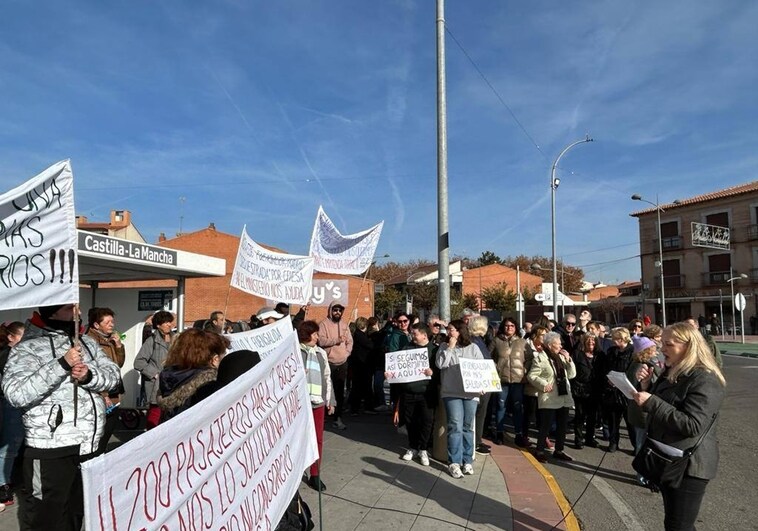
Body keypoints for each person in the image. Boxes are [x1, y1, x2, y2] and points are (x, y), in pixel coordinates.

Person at [2, 304, 121, 530]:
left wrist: (89, 376)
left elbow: (114, 375)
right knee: (45, 520)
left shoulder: (86, 341)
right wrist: (61, 365)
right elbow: (15, 394)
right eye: (70, 307)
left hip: (88, 448)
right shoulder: (27, 347)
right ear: (53, 310)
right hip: (50, 450)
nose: (78, 310)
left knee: (75, 516)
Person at [632, 323, 726, 531]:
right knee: (677, 523)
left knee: (678, 525)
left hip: (690, 466)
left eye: (669, 344)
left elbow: (693, 425)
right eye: (661, 343)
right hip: (669, 459)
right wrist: (647, 387)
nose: (662, 349)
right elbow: (663, 405)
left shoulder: (705, 379)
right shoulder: (673, 372)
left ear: (689, 346)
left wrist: (651, 401)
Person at [436, 320, 483, 478]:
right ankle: (454, 462)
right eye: (448, 330)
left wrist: (482, 384)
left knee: (468, 426)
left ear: (460, 331)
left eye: (452, 330)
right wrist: (449, 347)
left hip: (470, 392)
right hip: (452, 392)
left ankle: (467, 460)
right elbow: (441, 364)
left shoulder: (473, 348)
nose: (449, 332)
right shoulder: (443, 347)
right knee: (455, 425)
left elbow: (481, 368)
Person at [527, 331, 576, 463]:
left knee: (562, 425)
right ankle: (540, 450)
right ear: (550, 345)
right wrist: (543, 384)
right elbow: (531, 376)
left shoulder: (560, 357)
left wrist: (569, 360)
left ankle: (559, 450)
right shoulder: (540, 358)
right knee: (546, 425)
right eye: (558, 344)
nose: (561, 346)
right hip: (550, 396)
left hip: (563, 394)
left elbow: (571, 375)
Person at [298, 320, 335, 491]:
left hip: (318, 402)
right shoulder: (296, 352)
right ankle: (296, 473)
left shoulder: (320, 353)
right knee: (300, 439)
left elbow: (327, 376)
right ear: (306, 335)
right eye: (315, 334)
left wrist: (331, 400)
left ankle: (315, 474)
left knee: (317, 439)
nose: (317, 337)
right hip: (300, 403)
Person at [85, 307, 126, 456]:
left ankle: (99, 458)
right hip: (102, 393)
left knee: (109, 428)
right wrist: (103, 394)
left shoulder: (110, 340)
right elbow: (92, 368)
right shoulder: (90, 341)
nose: (111, 325)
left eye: (112, 321)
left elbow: (118, 364)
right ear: (96, 325)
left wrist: (119, 346)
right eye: (107, 322)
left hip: (114, 391)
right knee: (100, 432)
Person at [396, 323, 438, 466]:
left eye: (415, 334)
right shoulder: (407, 349)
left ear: (424, 335)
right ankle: (412, 447)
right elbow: (398, 367)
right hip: (409, 392)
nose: (412, 336)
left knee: (427, 421)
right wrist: (391, 374)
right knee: (410, 421)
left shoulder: (434, 350)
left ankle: (423, 449)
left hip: (427, 393)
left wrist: (433, 373)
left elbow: (441, 370)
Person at [594, 327, 635, 453]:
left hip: (627, 390)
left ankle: (636, 445)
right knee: (613, 420)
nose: (613, 341)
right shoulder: (612, 351)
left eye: (616, 339)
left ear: (623, 339)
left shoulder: (632, 353)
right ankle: (613, 443)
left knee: (630, 421)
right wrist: (609, 378)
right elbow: (606, 367)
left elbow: (632, 371)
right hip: (612, 390)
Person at [490, 318, 528, 448]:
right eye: (506, 326)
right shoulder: (497, 341)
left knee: (518, 407)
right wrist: (495, 368)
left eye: (512, 325)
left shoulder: (522, 342)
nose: (509, 328)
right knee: (501, 406)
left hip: (518, 380)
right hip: (501, 379)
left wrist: (526, 371)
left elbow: (529, 359)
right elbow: (489, 357)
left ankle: (518, 434)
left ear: (516, 327)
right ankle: (499, 432)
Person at [134, 310, 175, 429]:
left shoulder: (177, 339)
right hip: (156, 386)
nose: (169, 324)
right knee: (155, 415)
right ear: (158, 325)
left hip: (173, 382)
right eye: (165, 322)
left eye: (170, 322)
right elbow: (139, 362)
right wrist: (155, 374)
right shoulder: (151, 341)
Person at [0, 321, 25, 509]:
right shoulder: (6, 355)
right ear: (11, 337)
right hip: (10, 404)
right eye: (22, 338)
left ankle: (9, 479)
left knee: (18, 445)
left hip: (21, 403)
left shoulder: (21, 354)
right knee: (8, 446)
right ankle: (3, 485)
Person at [318, 302, 353, 430]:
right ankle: (325, 416)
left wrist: (346, 353)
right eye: (335, 310)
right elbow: (320, 340)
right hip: (328, 362)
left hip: (342, 362)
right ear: (330, 310)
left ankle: (338, 417)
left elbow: (350, 341)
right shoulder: (323, 324)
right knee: (326, 390)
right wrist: (335, 341)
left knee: (339, 391)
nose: (337, 312)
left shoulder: (345, 325)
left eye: (340, 310)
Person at [469, 316, 495, 455]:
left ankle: (477, 439)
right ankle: (476, 441)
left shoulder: (479, 341)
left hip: (483, 382)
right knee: (479, 413)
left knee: (481, 413)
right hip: (481, 384)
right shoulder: (475, 342)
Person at [571, 333, 598, 449]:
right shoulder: (577, 354)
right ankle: (578, 439)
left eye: (593, 341)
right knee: (580, 416)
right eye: (588, 341)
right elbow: (573, 372)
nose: (591, 343)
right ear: (584, 342)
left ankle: (589, 438)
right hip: (580, 389)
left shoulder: (599, 355)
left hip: (594, 389)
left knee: (592, 416)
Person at [349, 317, 375, 415]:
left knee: (358, 387)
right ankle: (360, 408)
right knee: (362, 387)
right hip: (361, 364)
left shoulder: (356, 334)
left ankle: (356, 407)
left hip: (358, 364)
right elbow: (370, 345)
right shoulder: (360, 335)